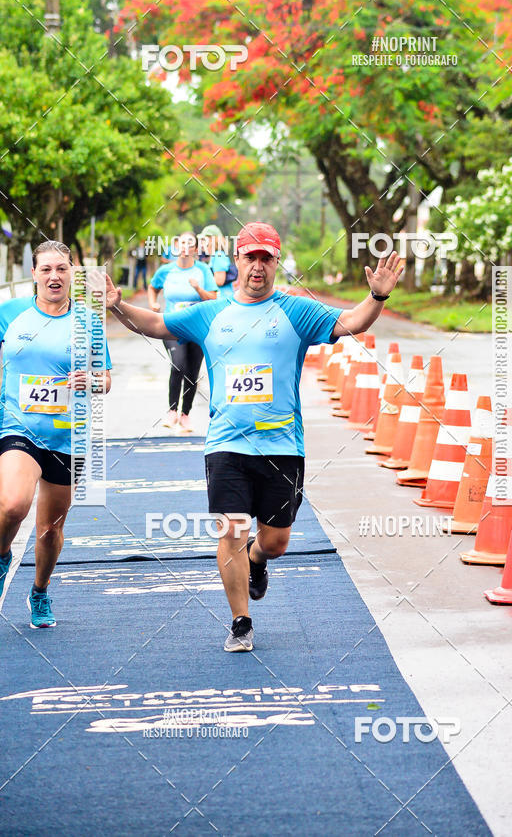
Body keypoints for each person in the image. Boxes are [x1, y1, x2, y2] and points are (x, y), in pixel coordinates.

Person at [104, 222, 404, 652]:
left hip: (281, 446)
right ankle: (240, 621)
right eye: (251, 257)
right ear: (237, 261)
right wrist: (118, 306)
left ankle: (257, 557)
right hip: (226, 444)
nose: (258, 266)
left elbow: (352, 322)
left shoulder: (296, 311)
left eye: (266, 258)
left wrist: (377, 297)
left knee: (276, 541)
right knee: (230, 530)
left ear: (276, 262)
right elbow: (154, 323)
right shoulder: (211, 314)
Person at [0, 241, 112, 625]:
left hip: (68, 435)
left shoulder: (88, 322)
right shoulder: (10, 313)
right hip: (18, 427)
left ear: (72, 275)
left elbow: (106, 380)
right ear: (33, 273)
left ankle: (39, 591)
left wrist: (91, 381)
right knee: (13, 504)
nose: (54, 276)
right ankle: (2, 556)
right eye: (46, 269)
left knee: (49, 530)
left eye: (61, 269)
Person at [148, 233, 218, 432]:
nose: (186, 247)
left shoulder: (203, 270)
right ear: (176, 246)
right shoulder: (166, 270)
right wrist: (153, 303)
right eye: (182, 243)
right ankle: (172, 411)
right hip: (172, 326)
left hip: (196, 328)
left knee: (192, 372)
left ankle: (185, 414)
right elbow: (153, 288)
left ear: (195, 249)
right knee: (178, 365)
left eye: (190, 243)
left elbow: (213, 298)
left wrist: (198, 289)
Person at [199, 225, 237, 300]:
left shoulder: (219, 255)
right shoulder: (215, 256)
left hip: (222, 299)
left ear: (212, 240)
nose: (200, 243)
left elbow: (220, 281)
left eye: (203, 239)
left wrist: (199, 280)